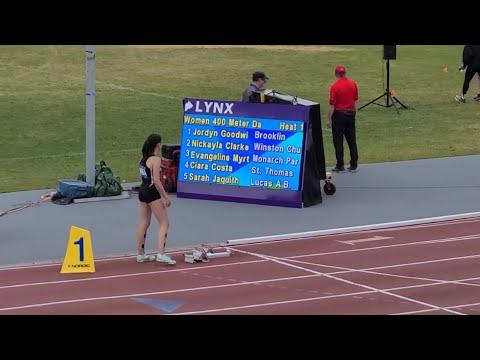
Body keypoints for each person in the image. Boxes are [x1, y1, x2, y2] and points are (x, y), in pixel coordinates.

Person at [135, 134, 176, 265]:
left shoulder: (142, 158)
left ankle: (140, 254)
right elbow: (157, 182)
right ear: (158, 145)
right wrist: (166, 197)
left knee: (144, 223)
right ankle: (161, 254)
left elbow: (143, 176)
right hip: (152, 193)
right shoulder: (155, 160)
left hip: (142, 191)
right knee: (164, 223)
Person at [327, 65, 359, 173]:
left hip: (339, 115)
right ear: (345, 73)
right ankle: (353, 164)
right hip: (351, 114)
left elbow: (332, 105)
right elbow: (355, 100)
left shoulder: (334, 86)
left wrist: (329, 119)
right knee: (352, 140)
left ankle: (340, 165)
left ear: (336, 74)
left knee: (338, 141)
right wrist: (354, 113)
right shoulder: (353, 84)